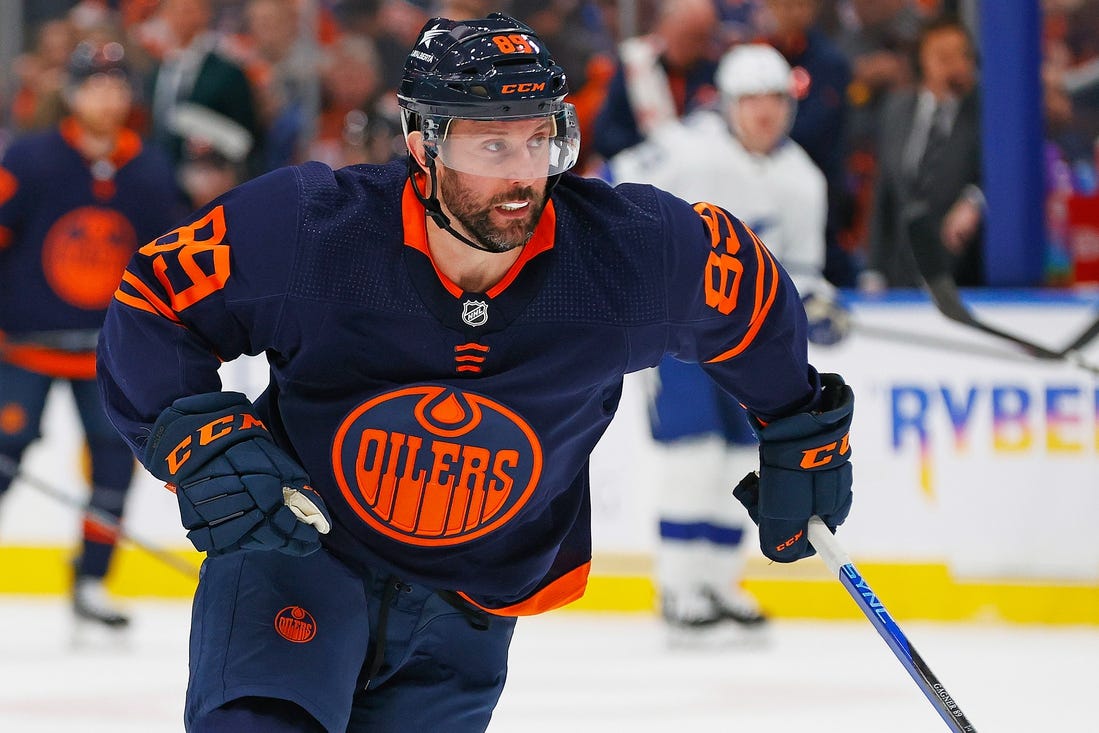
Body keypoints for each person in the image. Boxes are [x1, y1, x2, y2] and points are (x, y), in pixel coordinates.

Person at [97, 14, 854, 731]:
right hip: (298, 557)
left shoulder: (625, 257)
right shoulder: (310, 232)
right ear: (422, 145)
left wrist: (797, 421)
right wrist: (198, 436)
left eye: (539, 140)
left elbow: (742, 289)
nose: (524, 173)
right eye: (491, 147)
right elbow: (156, 298)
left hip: (468, 603)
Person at [608, 43, 847, 636]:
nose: (765, 113)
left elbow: (803, 270)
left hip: (753, 345)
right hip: (679, 334)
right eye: (753, 101)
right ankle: (678, 586)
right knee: (692, 457)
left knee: (744, 459)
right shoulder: (687, 148)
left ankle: (717, 583)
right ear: (730, 105)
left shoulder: (803, 179)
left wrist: (817, 303)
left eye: (776, 101)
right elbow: (612, 191)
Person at [0, 40, 182, 629]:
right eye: (94, 86)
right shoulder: (28, 161)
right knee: (4, 454)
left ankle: (93, 578)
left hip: (107, 352)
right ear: (72, 93)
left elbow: (167, 263)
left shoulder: (151, 170)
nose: (106, 98)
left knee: (113, 460)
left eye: (116, 86)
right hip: (25, 346)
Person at [861, 13, 982, 291]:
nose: (955, 65)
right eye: (943, 56)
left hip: (962, 275)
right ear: (922, 60)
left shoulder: (985, 116)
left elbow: (1002, 176)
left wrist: (975, 200)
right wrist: (874, 269)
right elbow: (884, 193)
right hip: (901, 272)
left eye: (961, 55)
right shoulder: (896, 109)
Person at [592, 0, 721, 161]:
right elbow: (606, 136)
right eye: (687, 36)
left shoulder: (712, 72)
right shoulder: (635, 67)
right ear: (664, 28)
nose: (694, 45)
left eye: (701, 37)